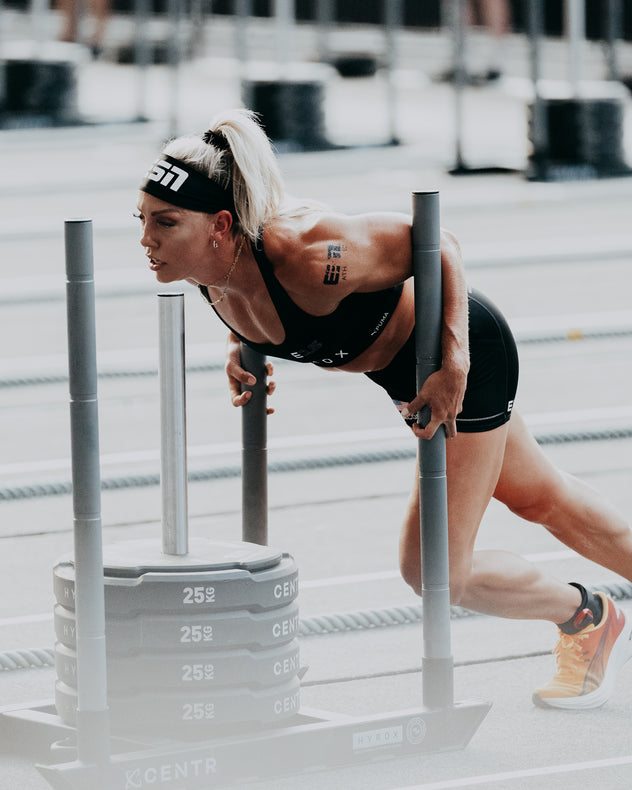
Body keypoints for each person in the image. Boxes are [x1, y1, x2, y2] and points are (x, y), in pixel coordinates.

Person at [136, 108, 632, 710]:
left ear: (220, 224)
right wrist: (241, 346)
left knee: (433, 571)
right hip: (403, 373)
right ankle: (592, 618)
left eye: (164, 223)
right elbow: (249, 303)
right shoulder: (205, 268)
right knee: (542, 497)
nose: (146, 240)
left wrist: (452, 364)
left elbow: (438, 241)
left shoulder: (309, 251)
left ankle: (585, 616)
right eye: (141, 221)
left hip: (451, 356)